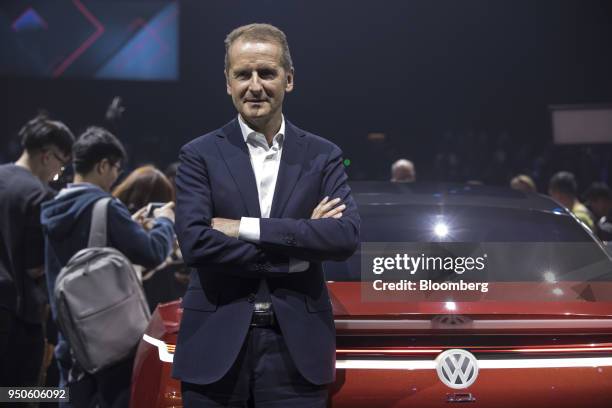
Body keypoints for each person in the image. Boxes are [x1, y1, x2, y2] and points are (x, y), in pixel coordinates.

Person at [173, 23, 360, 407]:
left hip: (296, 351)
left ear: (288, 80)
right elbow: (195, 245)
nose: (254, 85)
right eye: (243, 74)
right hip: (214, 346)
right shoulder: (198, 154)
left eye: (267, 73)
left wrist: (243, 228)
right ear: (228, 82)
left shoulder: (323, 155)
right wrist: (298, 250)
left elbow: (344, 237)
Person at [40, 127, 176, 407]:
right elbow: (152, 252)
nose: (116, 177)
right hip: (108, 340)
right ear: (103, 165)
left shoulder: (53, 205)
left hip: (71, 338)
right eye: (115, 168)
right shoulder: (105, 206)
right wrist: (164, 221)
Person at [0, 115, 74, 387]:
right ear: (47, 156)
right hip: (16, 316)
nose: (57, 174)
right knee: (19, 394)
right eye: (60, 165)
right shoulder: (39, 194)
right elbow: (35, 266)